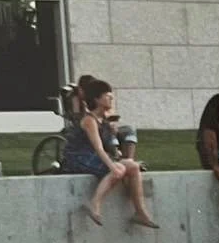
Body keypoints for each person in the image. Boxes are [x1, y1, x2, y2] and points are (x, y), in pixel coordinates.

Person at [63, 78, 158, 229]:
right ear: (97, 99)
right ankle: (94, 204)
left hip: (93, 156)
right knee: (119, 170)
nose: (111, 98)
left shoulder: (104, 120)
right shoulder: (89, 120)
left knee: (132, 166)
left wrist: (118, 160)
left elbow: (110, 146)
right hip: (79, 157)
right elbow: (99, 147)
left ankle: (140, 212)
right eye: (107, 96)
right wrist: (113, 166)